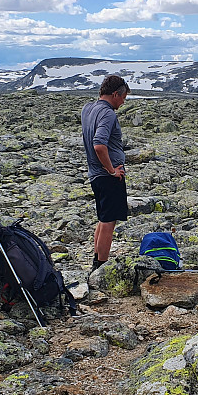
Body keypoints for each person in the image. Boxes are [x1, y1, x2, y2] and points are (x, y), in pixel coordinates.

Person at [81, 75, 130, 271]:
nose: (123, 102)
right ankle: (101, 266)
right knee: (109, 222)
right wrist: (112, 170)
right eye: (123, 97)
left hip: (94, 174)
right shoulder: (108, 113)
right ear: (115, 93)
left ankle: (97, 258)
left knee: (103, 218)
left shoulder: (88, 109)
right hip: (108, 176)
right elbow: (99, 144)